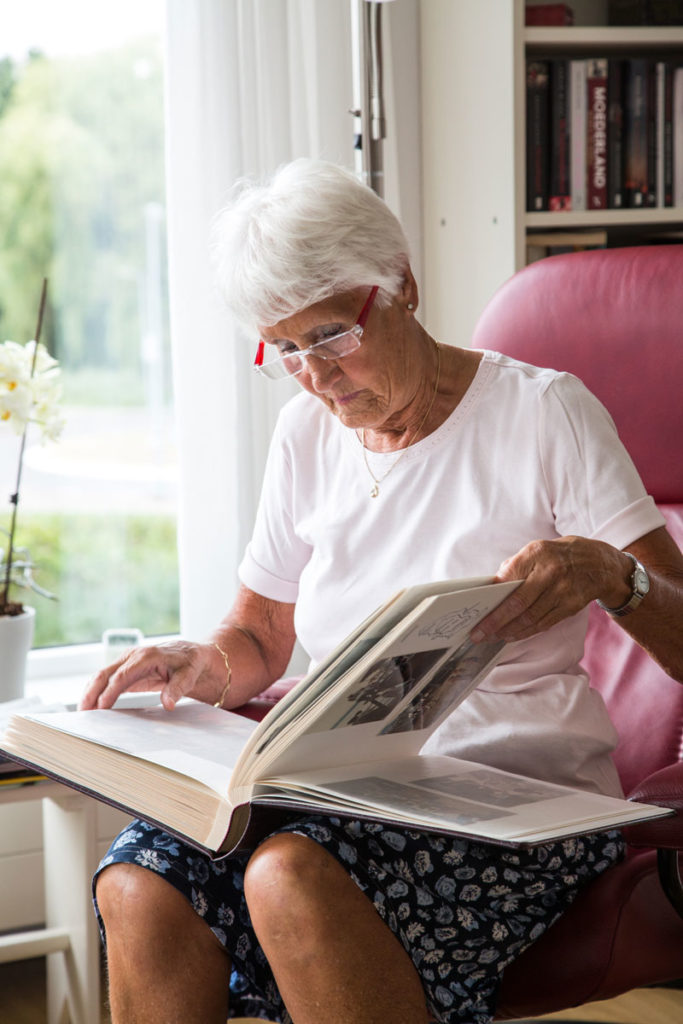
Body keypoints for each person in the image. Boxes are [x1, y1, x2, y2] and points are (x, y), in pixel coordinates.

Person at [81, 159, 683, 1024]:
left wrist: (610, 576)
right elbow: (258, 640)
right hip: (345, 789)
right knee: (142, 877)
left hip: (512, 806)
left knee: (288, 870)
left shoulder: (543, 412)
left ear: (399, 285)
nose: (315, 376)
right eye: (283, 350)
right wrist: (198, 662)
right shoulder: (304, 435)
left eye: (329, 335)